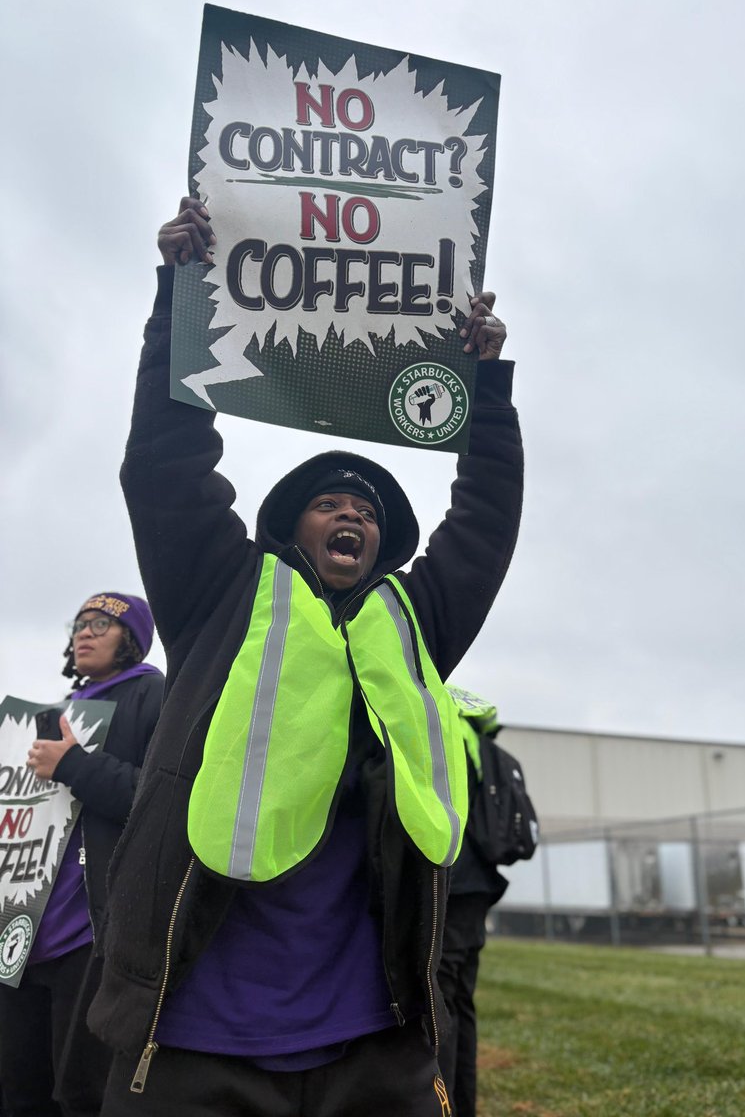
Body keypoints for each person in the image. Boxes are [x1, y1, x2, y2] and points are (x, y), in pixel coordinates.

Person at [88, 197, 523, 1117]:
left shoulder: (412, 626)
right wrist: (182, 296)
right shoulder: (221, 596)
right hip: (197, 1038)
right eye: (331, 501)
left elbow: (482, 529)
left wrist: (486, 389)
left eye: (368, 509)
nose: (354, 512)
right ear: (288, 529)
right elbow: (164, 467)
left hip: (372, 1041)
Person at [0, 593, 163, 1117]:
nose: (84, 633)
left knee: (84, 1094)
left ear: (131, 639)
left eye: (102, 623)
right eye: (80, 624)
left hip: (91, 935)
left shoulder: (152, 696)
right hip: (21, 937)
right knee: (19, 1091)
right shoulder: (50, 716)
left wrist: (76, 765)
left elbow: (163, 800)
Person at [438, 691, 509, 1117]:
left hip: (454, 883)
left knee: (440, 1005)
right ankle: (463, 1105)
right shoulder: (482, 743)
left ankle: (442, 1106)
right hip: (478, 887)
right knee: (461, 1002)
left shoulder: (448, 728)